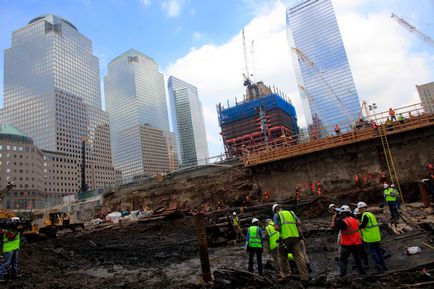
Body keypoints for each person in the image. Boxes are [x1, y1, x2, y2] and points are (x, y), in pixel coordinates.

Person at [272, 203, 308, 281]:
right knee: (299, 257)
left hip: (285, 239)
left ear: (275, 210)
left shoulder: (277, 215)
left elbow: (276, 228)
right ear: (281, 207)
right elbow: (299, 223)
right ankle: (304, 277)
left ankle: (285, 275)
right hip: (295, 238)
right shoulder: (291, 213)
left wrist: (282, 227)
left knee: (281, 257)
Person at [332, 205, 366, 277]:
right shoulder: (355, 220)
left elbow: (334, 226)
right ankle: (362, 273)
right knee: (358, 260)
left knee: (343, 260)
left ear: (343, 213)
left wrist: (334, 218)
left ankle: (343, 276)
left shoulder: (343, 221)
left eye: (342, 213)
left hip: (347, 244)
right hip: (356, 243)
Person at [357, 202, 387, 272]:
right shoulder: (371, 214)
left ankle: (379, 268)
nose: (359, 210)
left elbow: (363, 225)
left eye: (360, 209)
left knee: (374, 254)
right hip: (376, 237)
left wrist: (357, 226)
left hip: (370, 238)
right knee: (379, 253)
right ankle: (383, 266)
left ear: (363, 208)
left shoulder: (365, 215)